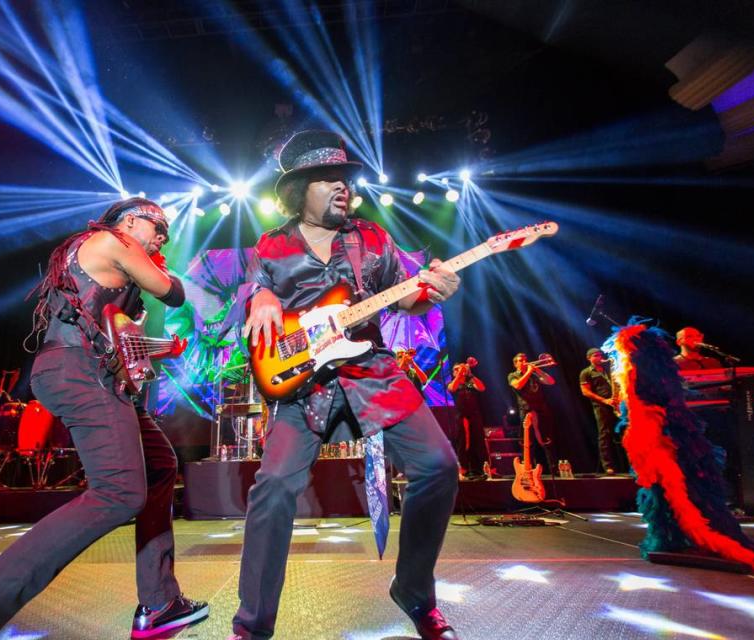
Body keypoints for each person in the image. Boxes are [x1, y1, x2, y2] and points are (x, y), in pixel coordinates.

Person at [0, 198, 207, 640]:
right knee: (118, 492)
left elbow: (119, 326)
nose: (161, 239)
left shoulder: (105, 257)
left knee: (159, 466)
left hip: (92, 371)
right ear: (130, 220)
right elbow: (172, 291)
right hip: (76, 370)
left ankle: (160, 602)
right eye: (158, 229)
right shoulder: (112, 240)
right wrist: (158, 267)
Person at [230, 130, 462, 640]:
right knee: (272, 490)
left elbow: (408, 299)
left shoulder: (373, 238)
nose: (342, 187)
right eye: (327, 179)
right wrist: (260, 298)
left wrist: (435, 290)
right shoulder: (273, 244)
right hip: (304, 385)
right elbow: (255, 289)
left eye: (345, 179)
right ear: (298, 190)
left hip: (372, 370)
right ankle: (251, 625)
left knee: (439, 466)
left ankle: (415, 592)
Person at [507, 353, 557, 475]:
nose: (524, 361)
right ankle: (528, 470)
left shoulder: (534, 374)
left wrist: (538, 370)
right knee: (527, 442)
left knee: (546, 439)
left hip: (541, 409)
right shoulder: (513, 375)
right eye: (520, 360)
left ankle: (554, 470)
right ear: (515, 364)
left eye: (525, 359)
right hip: (526, 410)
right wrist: (529, 372)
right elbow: (518, 385)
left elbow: (550, 382)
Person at [579, 348, 625, 475]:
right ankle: (608, 466)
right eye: (596, 355)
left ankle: (629, 463)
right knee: (605, 434)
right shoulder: (586, 372)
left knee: (624, 432)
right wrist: (604, 400)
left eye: (600, 355)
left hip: (616, 404)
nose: (600, 357)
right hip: (601, 406)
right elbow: (585, 391)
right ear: (589, 358)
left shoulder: (608, 369)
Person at [448, 357, 487, 480]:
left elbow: (482, 388)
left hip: (475, 415)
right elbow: (451, 388)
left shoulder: (471, 382)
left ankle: (479, 468)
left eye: (461, 368)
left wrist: (470, 374)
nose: (459, 371)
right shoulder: (453, 383)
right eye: (456, 369)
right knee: (463, 443)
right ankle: (463, 469)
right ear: (453, 372)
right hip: (461, 417)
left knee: (478, 441)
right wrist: (460, 373)